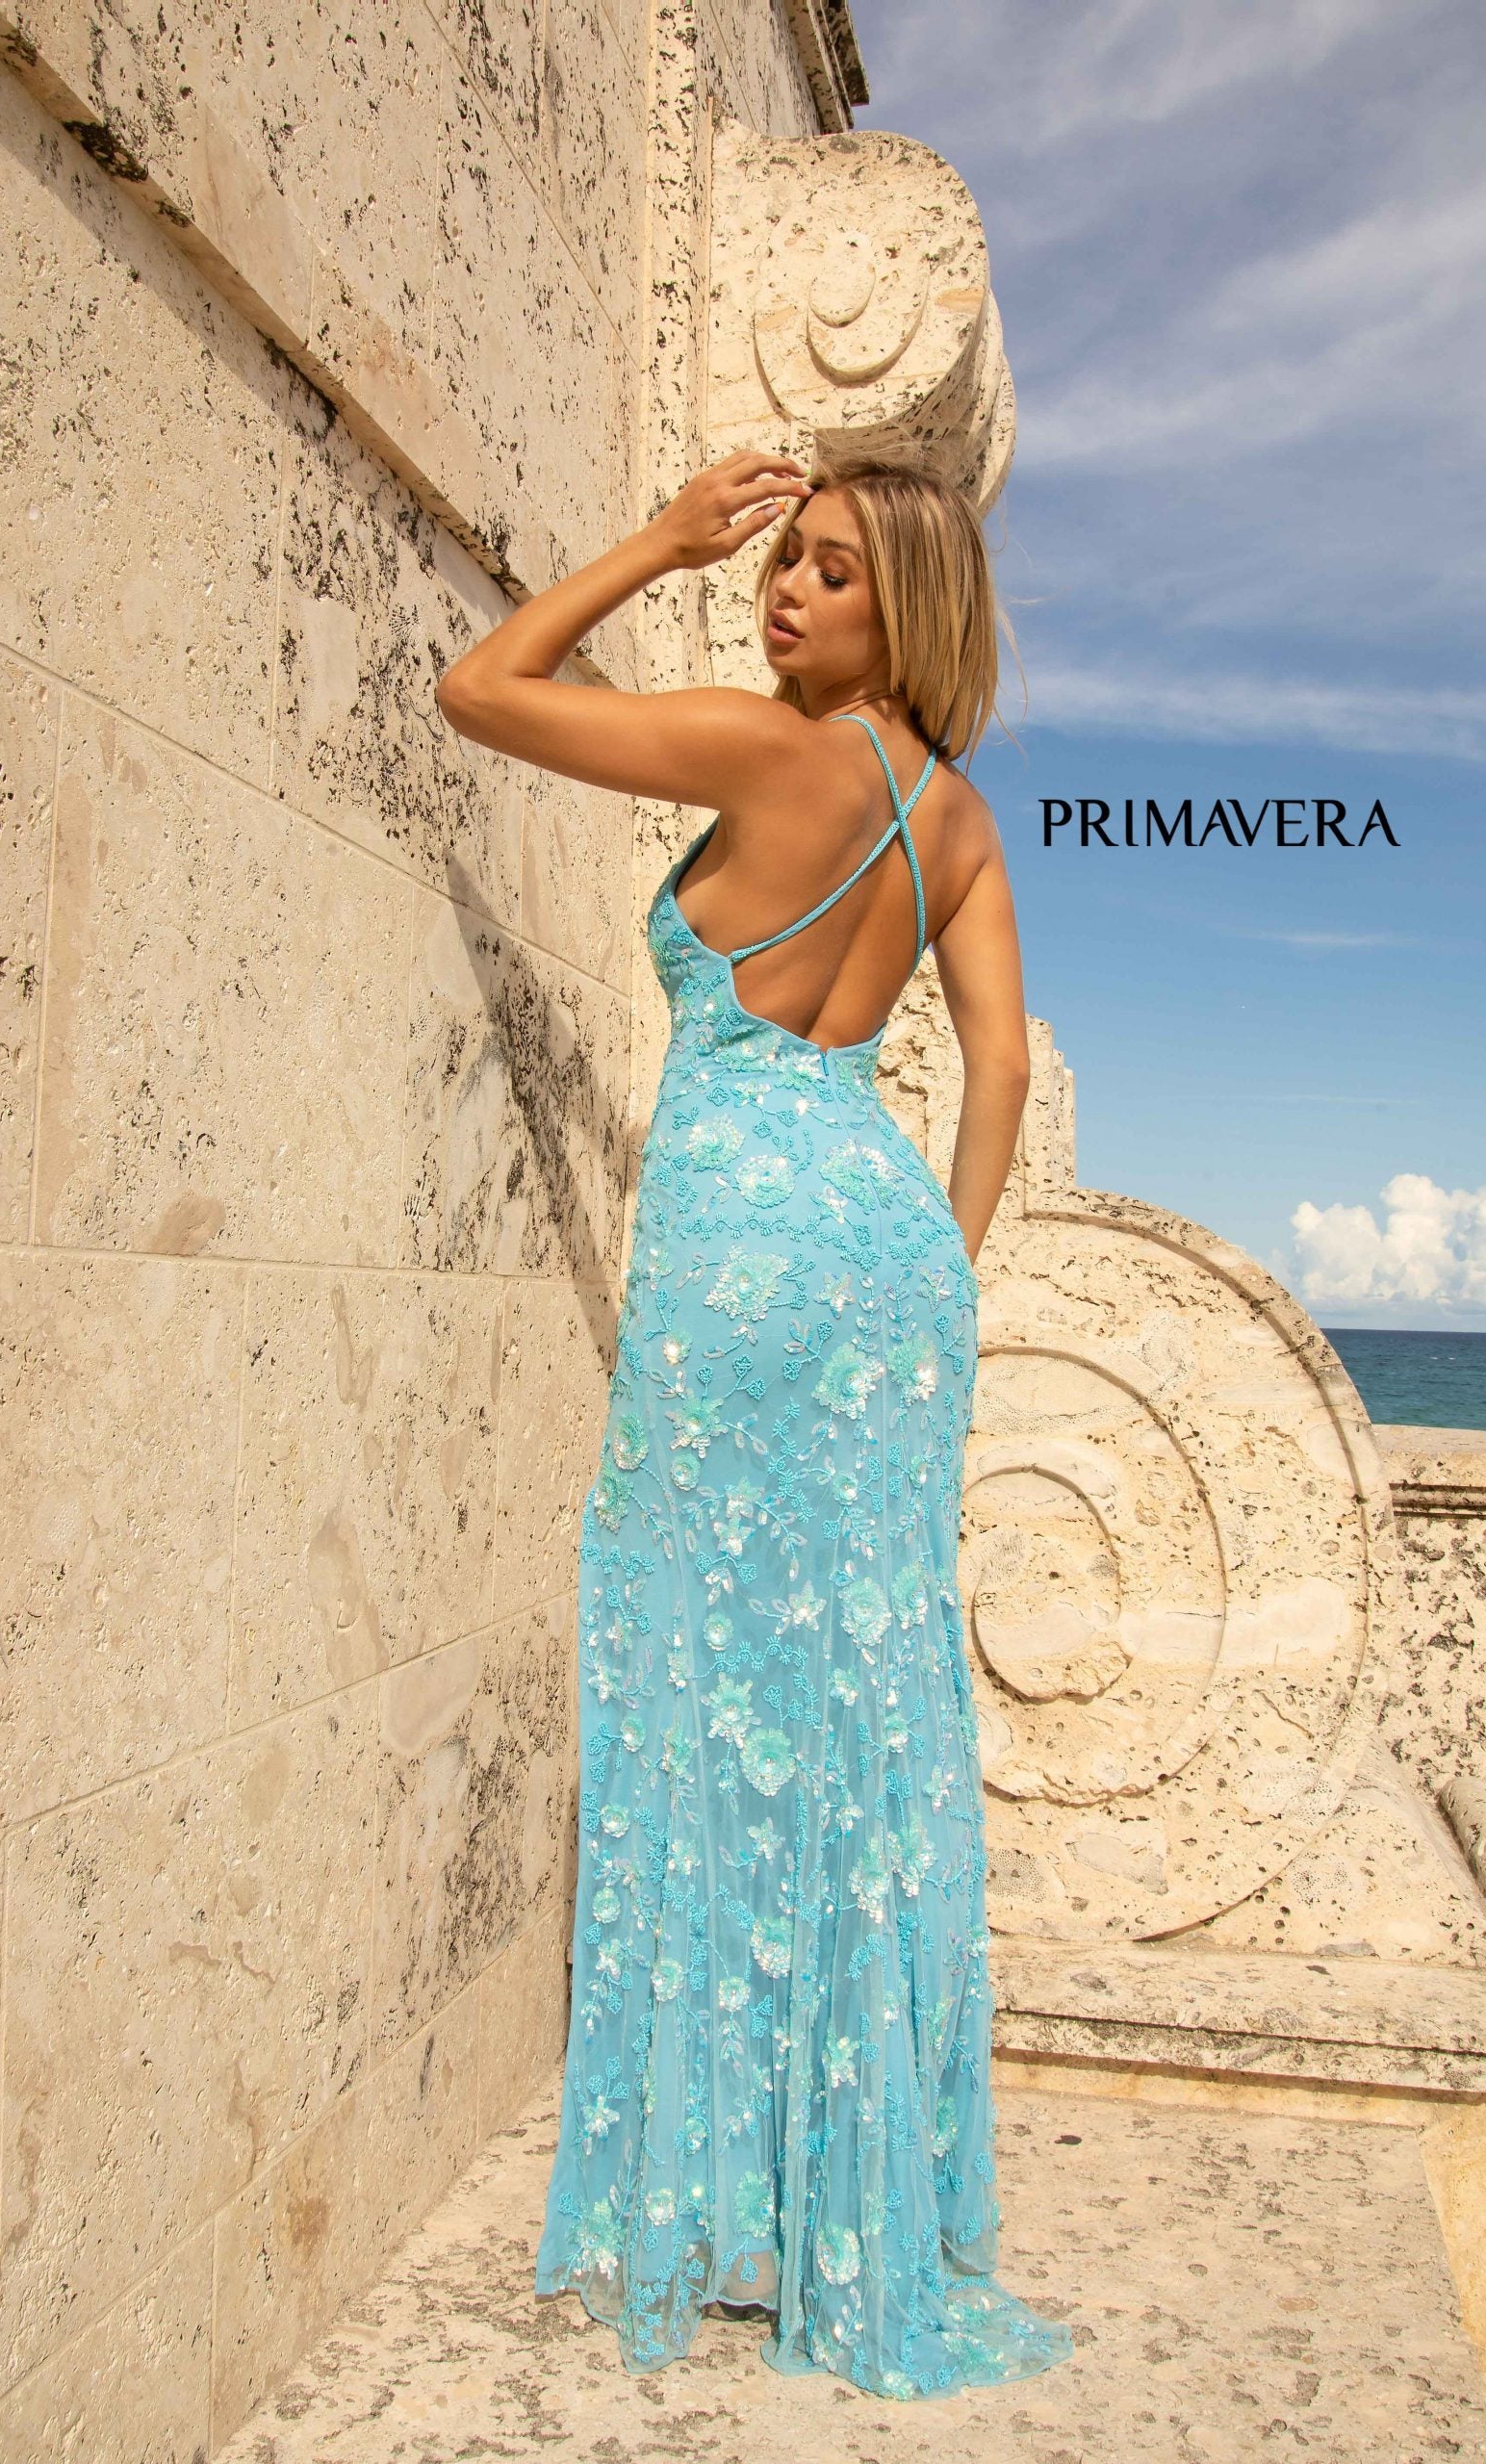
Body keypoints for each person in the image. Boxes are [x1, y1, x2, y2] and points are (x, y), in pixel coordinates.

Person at [435, 443, 1075, 2399]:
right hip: (885, 1251)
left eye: (830, 572)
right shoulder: (957, 818)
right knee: (864, 1710)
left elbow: (481, 688)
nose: (785, 589)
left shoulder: (764, 745)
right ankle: (848, 2204)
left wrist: (658, 542)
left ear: (910, 612)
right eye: (782, 560)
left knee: (699, 1673)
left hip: (739, 1243)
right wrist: (943, 1268)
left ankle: (717, 2192)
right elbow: (996, 1066)